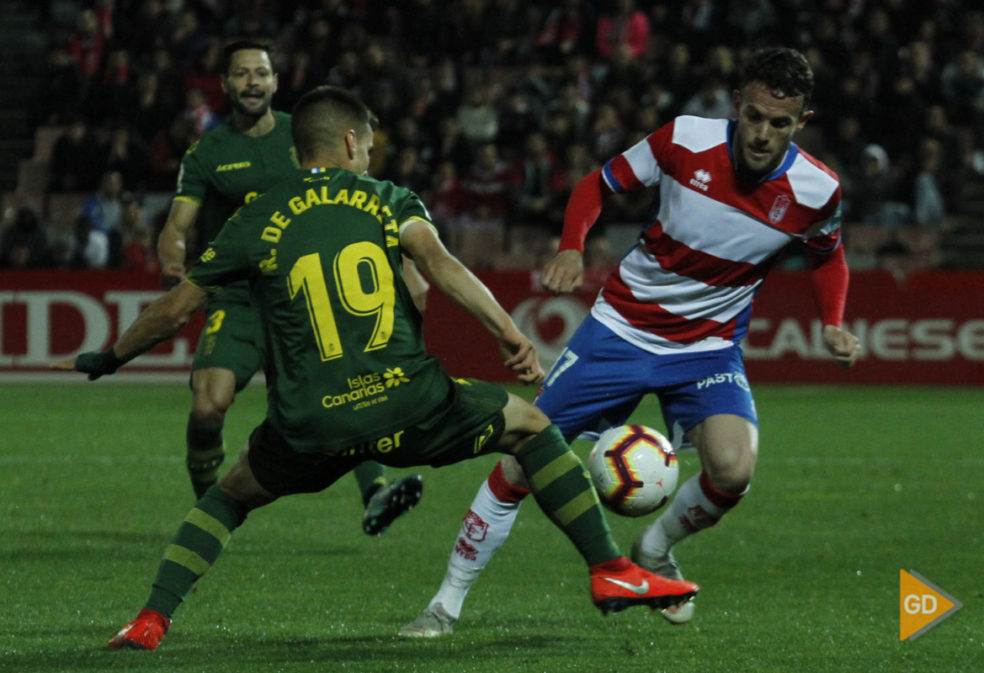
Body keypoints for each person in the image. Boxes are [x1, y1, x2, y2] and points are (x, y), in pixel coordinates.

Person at [52, 85, 699, 651]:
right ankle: (609, 565)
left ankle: (149, 620)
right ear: (351, 141)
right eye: (368, 145)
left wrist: (107, 357)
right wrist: (508, 333)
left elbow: (173, 310)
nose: (371, 155)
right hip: (408, 401)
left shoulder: (255, 217)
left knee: (226, 496)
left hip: (310, 423)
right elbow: (440, 266)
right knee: (530, 427)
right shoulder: (383, 197)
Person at [399, 46, 861, 637]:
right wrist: (571, 243)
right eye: (755, 116)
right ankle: (445, 604)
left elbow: (829, 257)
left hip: (708, 349)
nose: (763, 134)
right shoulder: (685, 139)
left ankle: (655, 549)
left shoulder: (816, 190)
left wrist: (833, 319)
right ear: (737, 105)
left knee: (734, 470)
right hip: (620, 329)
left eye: (781, 123)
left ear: (802, 122)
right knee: (519, 462)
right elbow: (598, 183)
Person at [155, 39, 423, 535]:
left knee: (347, 390)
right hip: (240, 297)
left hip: (304, 292)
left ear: (276, 82)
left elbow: (354, 199)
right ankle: (209, 503)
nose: (252, 81)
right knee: (208, 403)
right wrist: (172, 259)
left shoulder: (301, 138)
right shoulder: (207, 153)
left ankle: (376, 493)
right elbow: (176, 226)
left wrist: (400, 260)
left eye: (261, 72)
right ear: (225, 85)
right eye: (241, 73)